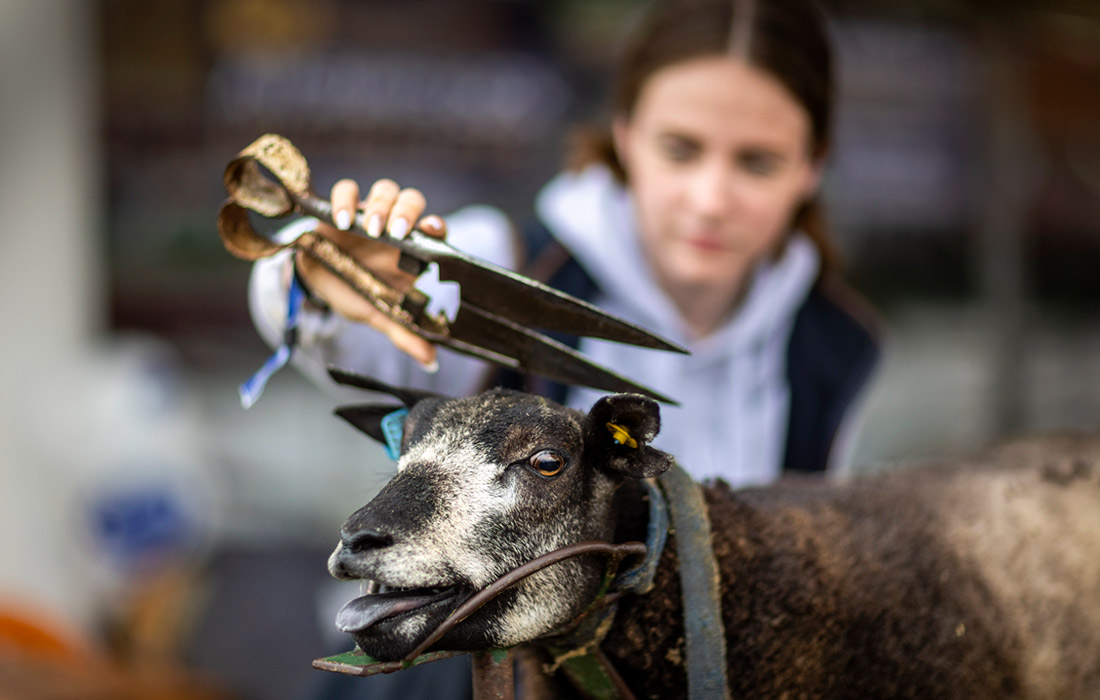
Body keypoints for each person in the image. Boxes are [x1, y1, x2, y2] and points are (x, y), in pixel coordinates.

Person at [250, 0, 880, 489]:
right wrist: (315, 270)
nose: (711, 199)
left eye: (757, 163)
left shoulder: (837, 343)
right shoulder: (508, 271)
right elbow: (332, 334)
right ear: (626, 134)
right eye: (680, 150)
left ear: (813, 165)